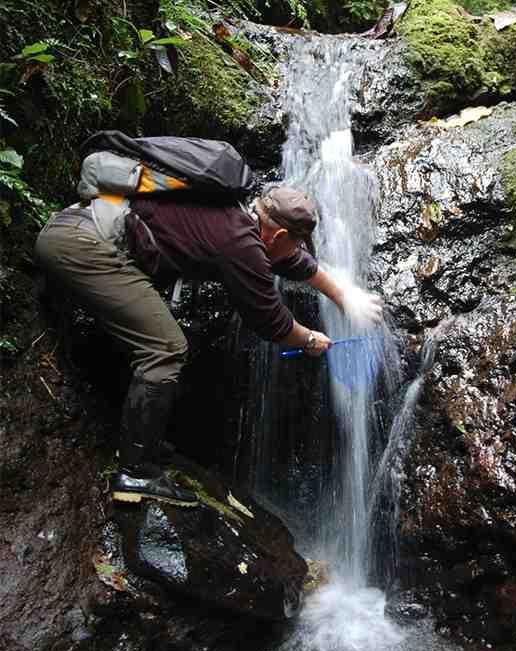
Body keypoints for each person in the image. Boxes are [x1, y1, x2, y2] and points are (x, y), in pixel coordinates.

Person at [35, 184, 381, 507]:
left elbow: (292, 261)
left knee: (154, 336)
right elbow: (271, 321)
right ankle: (135, 473)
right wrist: (309, 339)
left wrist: (344, 296)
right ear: (278, 234)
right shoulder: (241, 244)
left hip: (75, 229)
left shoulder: (239, 217)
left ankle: (144, 443)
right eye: (298, 242)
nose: (300, 250)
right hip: (81, 245)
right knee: (166, 347)